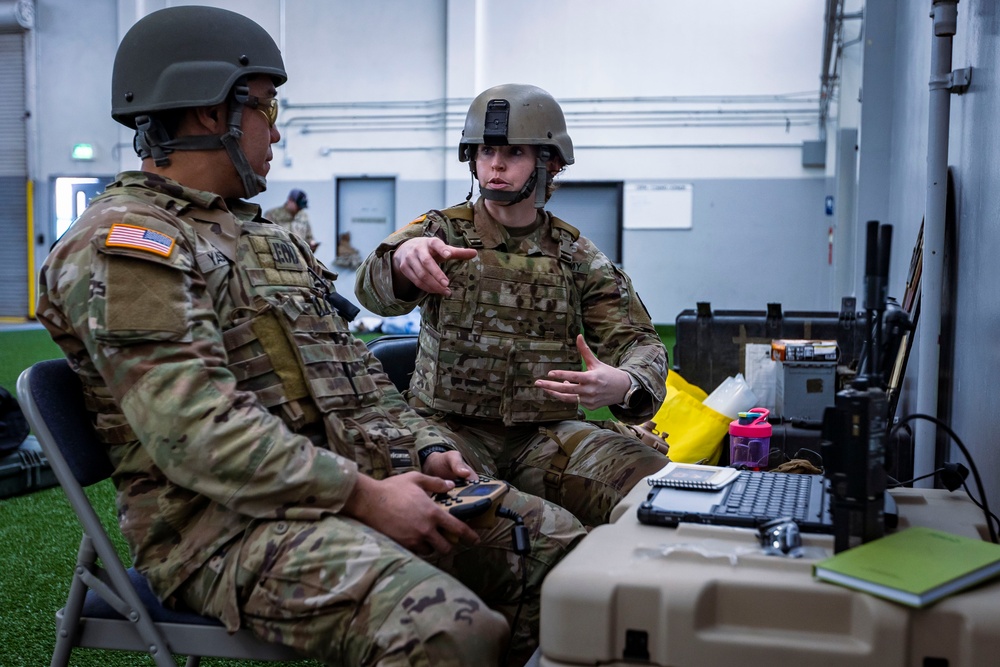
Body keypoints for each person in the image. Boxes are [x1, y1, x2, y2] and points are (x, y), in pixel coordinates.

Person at [35, 10, 585, 666]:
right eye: (268, 105)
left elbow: (355, 377)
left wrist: (428, 447)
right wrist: (365, 495)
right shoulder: (126, 246)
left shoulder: (264, 238)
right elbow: (199, 432)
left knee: (567, 561)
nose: (276, 127)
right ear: (213, 113)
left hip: (346, 487)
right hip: (225, 531)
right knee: (450, 630)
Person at [355, 83, 669, 528]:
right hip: (449, 431)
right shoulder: (439, 233)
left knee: (652, 486)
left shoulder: (576, 256)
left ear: (550, 162)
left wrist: (625, 382)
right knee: (414, 492)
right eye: (485, 151)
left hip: (547, 437)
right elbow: (371, 289)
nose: (496, 164)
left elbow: (640, 342)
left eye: (514, 152)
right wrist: (402, 262)